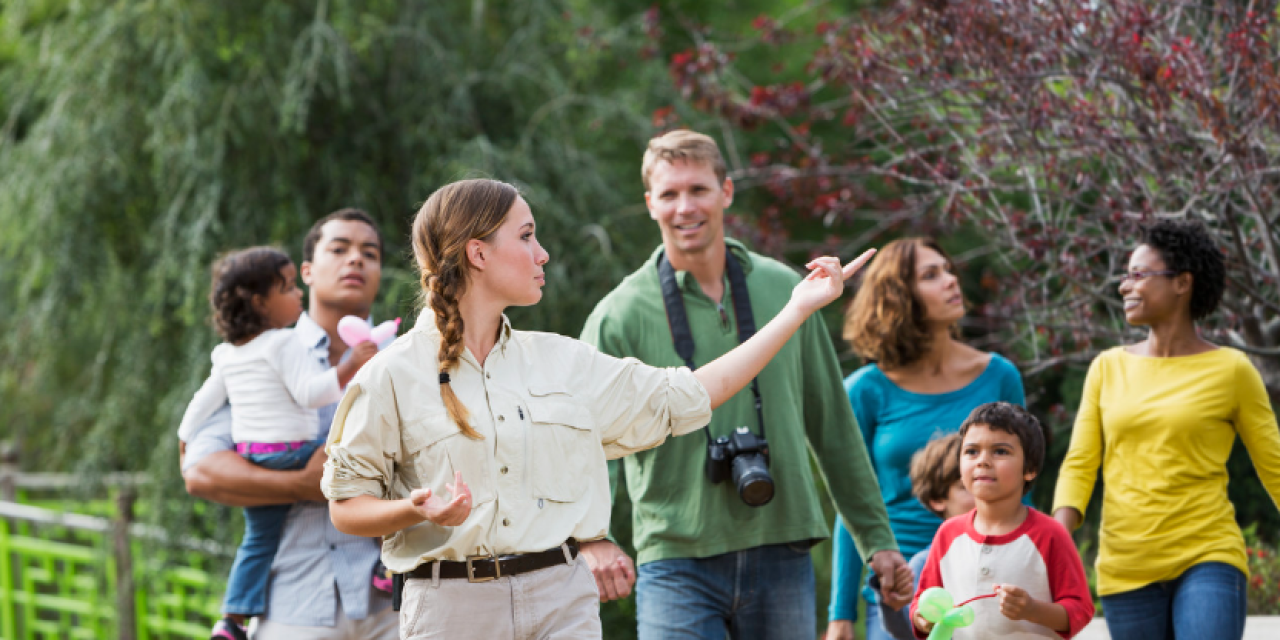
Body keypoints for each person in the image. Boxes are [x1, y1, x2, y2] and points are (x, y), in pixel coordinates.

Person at [320, 178, 875, 639]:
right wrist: (416, 509)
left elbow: (691, 394)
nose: (543, 254)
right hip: (450, 611)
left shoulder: (565, 361)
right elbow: (347, 508)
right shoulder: (389, 376)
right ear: (478, 253)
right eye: (528, 236)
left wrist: (797, 310)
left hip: (563, 601)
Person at [578, 129, 908, 640]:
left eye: (698, 189)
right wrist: (592, 537)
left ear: (726, 192)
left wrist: (877, 540)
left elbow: (833, 424)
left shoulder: (787, 289)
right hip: (675, 557)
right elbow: (581, 442)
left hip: (782, 546)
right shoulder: (618, 316)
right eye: (669, 194)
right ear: (650, 204)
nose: (684, 207)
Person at [1053, 219, 1280, 640]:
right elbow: (1080, 464)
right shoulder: (1107, 367)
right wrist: (1055, 540)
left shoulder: (1231, 370)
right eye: (1125, 276)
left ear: (1182, 283)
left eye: (1139, 274)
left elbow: (1275, 467)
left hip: (1207, 553)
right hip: (1126, 564)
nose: (1124, 286)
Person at [181, 208, 398, 640]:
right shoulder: (257, 356)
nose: (355, 259)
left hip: (400, 608)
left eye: (369, 253)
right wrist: (302, 483)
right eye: (339, 249)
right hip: (295, 604)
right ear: (306, 273)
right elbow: (200, 471)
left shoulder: (404, 357)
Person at [827, 237, 1025, 640]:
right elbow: (852, 506)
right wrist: (840, 615)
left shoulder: (999, 376)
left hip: (986, 582)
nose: (952, 280)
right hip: (898, 590)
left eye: (948, 270)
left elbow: (1023, 487)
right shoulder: (865, 390)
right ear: (899, 297)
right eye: (932, 275)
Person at [911, 402, 1093, 640]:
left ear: (1029, 469)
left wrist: (1033, 610)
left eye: (1000, 451)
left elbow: (1080, 610)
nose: (982, 461)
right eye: (971, 451)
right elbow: (923, 598)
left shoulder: (1050, 534)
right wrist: (922, 618)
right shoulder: (948, 534)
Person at [869, 433, 973, 640]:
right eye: (966, 487)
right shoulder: (924, 564)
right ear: (937, 499)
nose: (981, 494)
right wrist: (892, 596)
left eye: (985, 483)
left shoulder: (1018, 549)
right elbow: (906, 632)